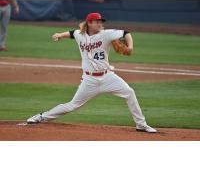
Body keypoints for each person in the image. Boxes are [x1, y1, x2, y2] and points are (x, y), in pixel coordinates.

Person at [27, 12, 157, 133]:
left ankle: (141, 124)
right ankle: (41, 117)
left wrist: (130, 47)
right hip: (89, 80)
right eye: (97, 22)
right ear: (89, 23)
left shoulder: (107, 34)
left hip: (108, 77)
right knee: (72, 105)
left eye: (101, 22)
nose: (100, 24)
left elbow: (126, 33)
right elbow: (72, 33)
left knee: (129, 92)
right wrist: (60, 35)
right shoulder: (80, 34)